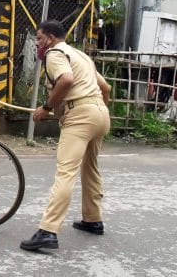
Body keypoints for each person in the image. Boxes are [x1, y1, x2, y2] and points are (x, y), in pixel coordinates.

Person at [20, 20, 111, 252]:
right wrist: (95, 110)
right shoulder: (80, 55)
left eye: (39, 39)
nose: (38, 44)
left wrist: (47, 107)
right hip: (100, 113)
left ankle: (48, 231)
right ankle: (93, 219)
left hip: (80, 116)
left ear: (50, 38)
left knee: (65, 172)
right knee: (90, 168)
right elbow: (106, 88)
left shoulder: (55, 54)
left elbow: (67, 80)